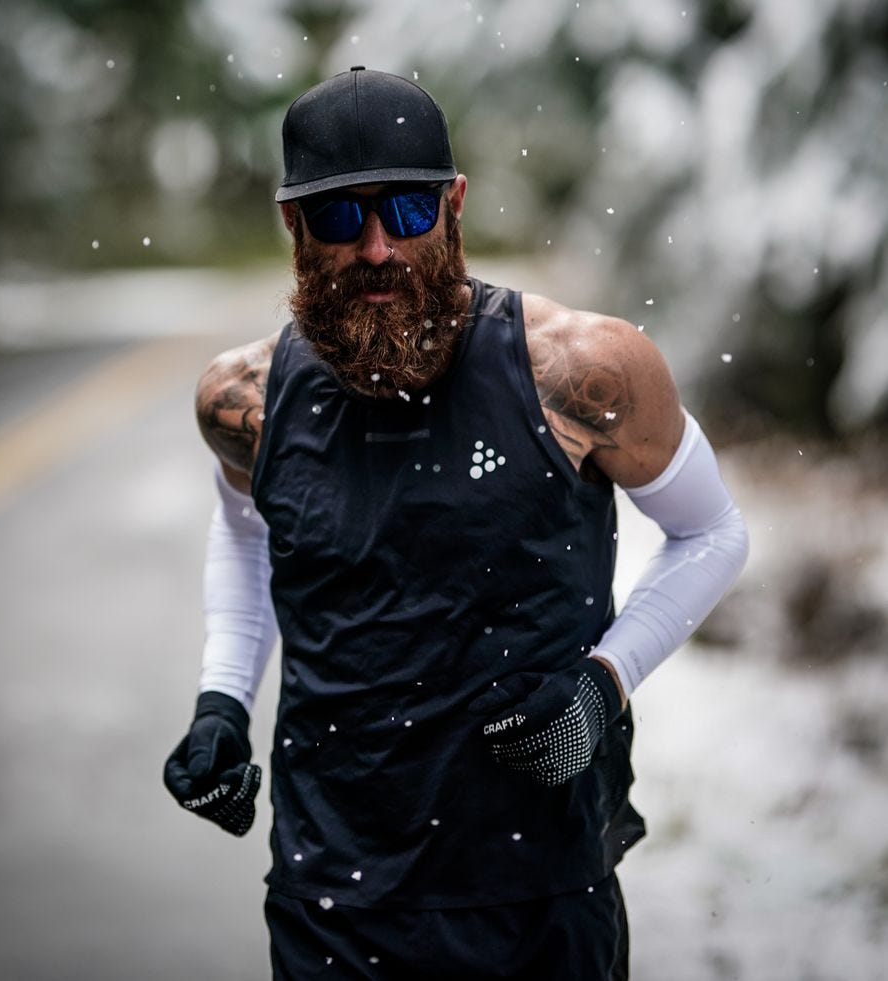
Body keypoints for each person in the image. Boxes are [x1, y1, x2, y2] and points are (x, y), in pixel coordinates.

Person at [164, 66, 749, 980]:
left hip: (539, 886)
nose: (375, 248)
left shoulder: (582, 374)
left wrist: (605, 681)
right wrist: (221, 702)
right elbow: (246, 527)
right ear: (292, 226)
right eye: (337, 216)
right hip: (333, 892)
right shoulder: (247, 398)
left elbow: (714, 533)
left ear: (454, 205)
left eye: (404, 211)